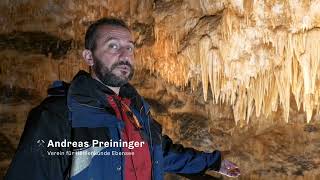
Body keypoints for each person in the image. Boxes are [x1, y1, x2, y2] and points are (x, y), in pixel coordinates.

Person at [5, 17, 240, 180]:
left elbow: (160, 152)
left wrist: (213, 162)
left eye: (129, 48)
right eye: (113, 46)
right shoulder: (58, 115)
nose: (124, 55)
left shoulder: (136, 110)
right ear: (89, 56)